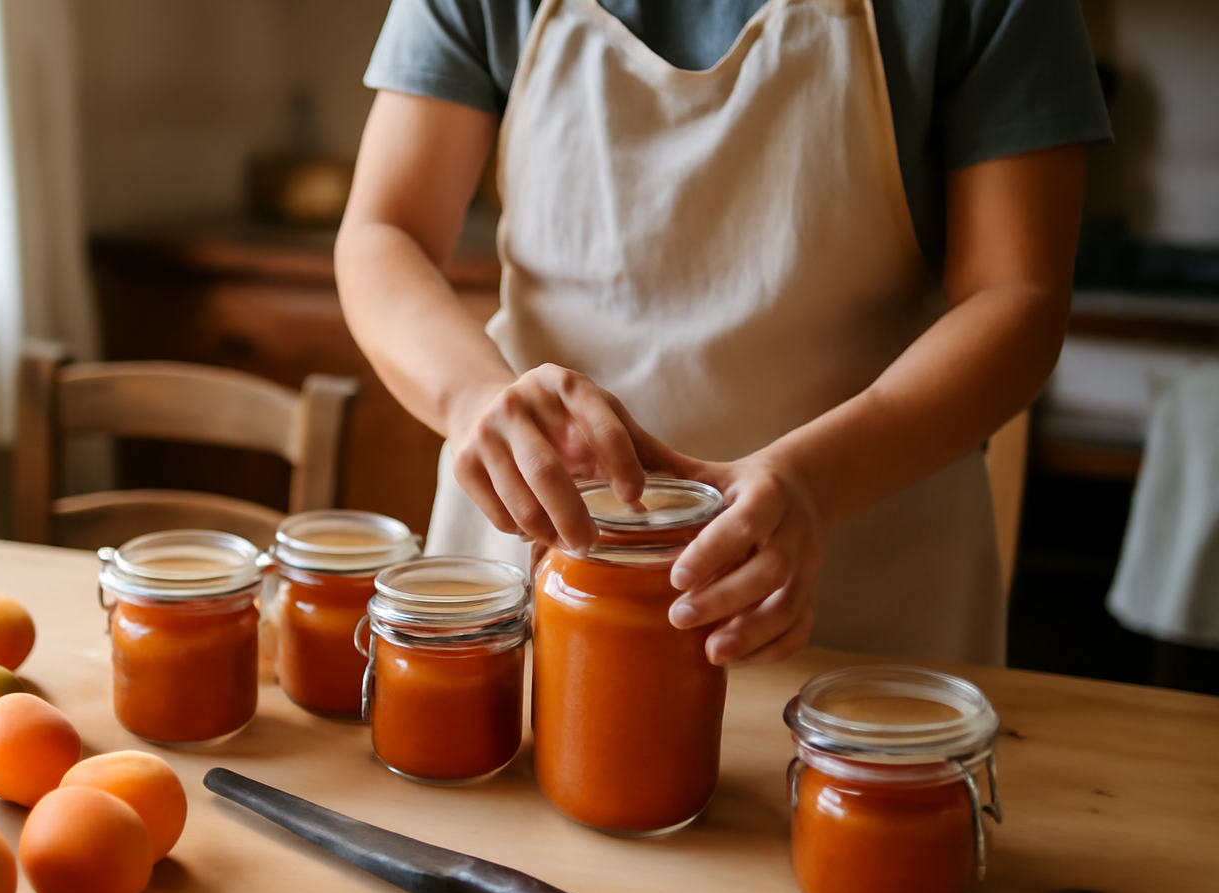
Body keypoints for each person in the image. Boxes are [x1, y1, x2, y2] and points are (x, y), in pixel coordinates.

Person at [334, 0, 1111, 667]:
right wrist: (474, 398)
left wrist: (817, 481)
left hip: (869, 591)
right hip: (547, 570)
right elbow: (383, 232)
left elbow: (1018, 293)